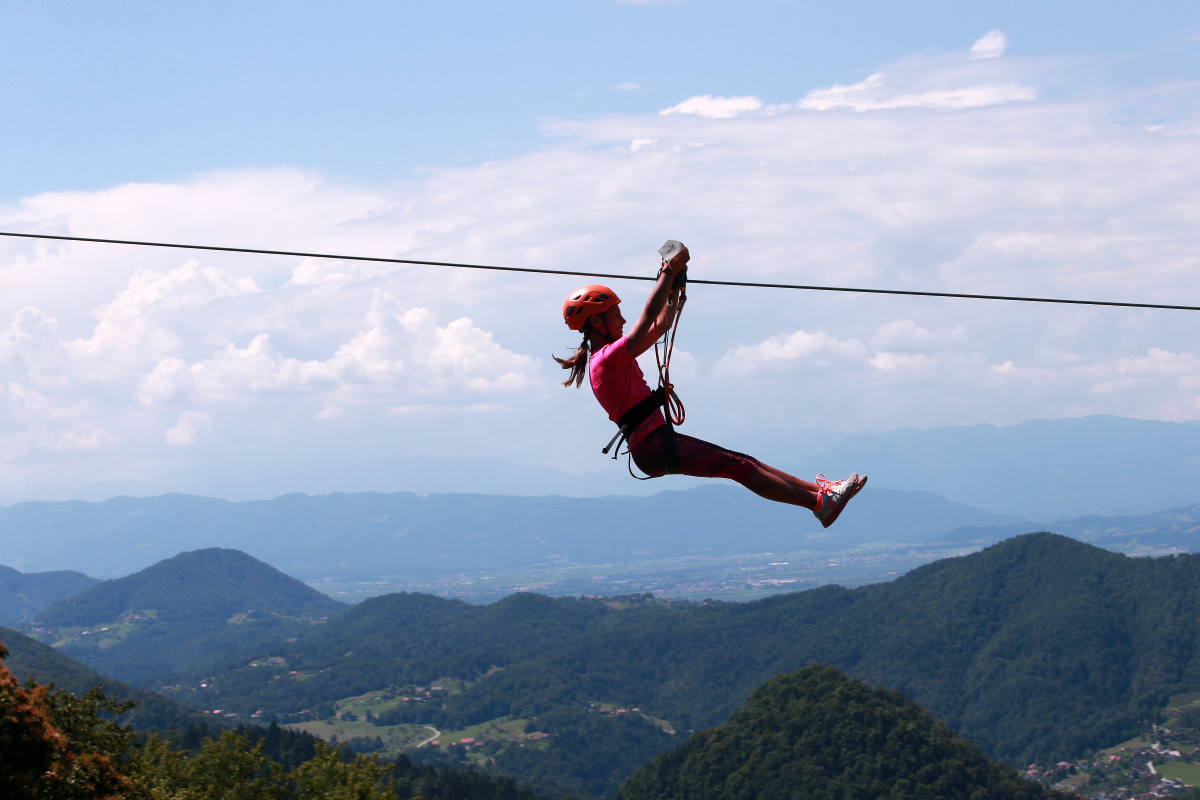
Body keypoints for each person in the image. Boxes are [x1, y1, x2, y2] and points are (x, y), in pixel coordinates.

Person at [555, 245, 867, 528]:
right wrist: (667, 272)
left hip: (654, 443)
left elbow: (659, 324)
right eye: (616, 315)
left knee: (744, 463)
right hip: (652, 445)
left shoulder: (610, 358)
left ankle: (821, 495)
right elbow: (648, 317)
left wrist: (674, 291)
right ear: (597, 322)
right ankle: (818, 502)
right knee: (739, 467)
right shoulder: (606, 359)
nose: (622, 321)